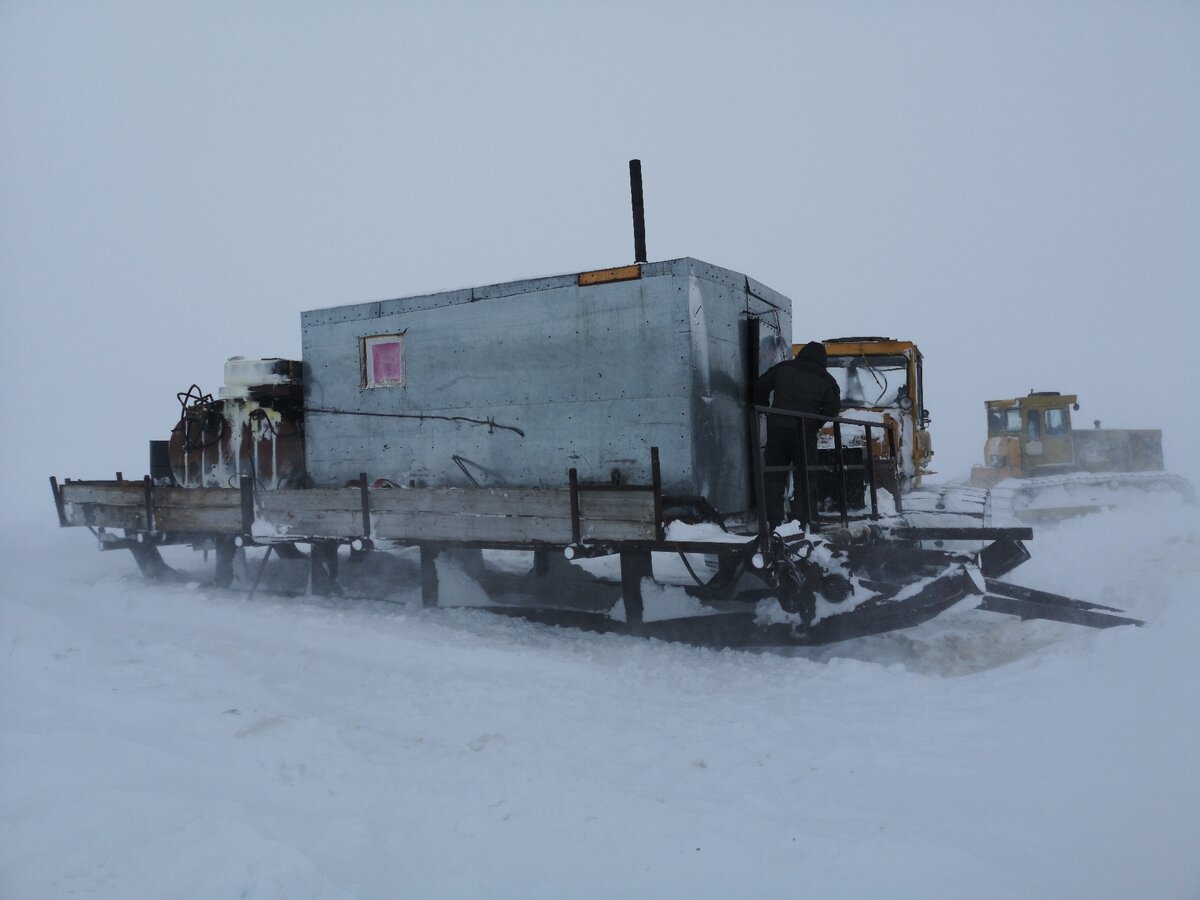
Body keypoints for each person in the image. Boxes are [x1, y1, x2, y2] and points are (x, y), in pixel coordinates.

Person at [754, 340, 841, 527]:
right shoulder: (827, 380)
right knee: (806, 476)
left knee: (775, 475)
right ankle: (802, 519)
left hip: (777, 430)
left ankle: (773, 521)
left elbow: (760, 386)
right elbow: (832, 409)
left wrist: (765, 408)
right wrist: (814, 423)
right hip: (804, 434)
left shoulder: (783, 367)